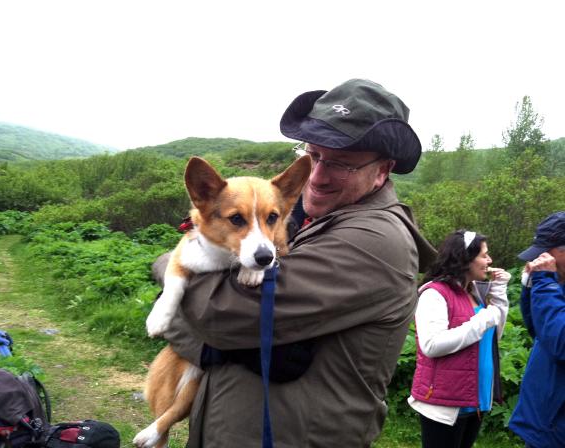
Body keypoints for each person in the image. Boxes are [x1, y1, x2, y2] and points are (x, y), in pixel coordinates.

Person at [160, 78, 436, 447]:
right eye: (314, 155)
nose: (317, 177)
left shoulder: (375, 240)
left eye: (342, 164)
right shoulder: (314, 219)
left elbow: (222, 316)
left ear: (382, 170)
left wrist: (169, 265)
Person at [408, 229, 510, 448]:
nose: (490, 260)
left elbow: (492, 338)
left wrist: (499, 293)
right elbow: (432, 345)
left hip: (475, 399)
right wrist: (483, 319)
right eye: (484, 255)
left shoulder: (473, 293)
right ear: (464, 258)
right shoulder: (435, 294)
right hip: (445, 403)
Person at [509, 211, 565, 448]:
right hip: (546, 423)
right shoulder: (559, 284)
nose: (537, 260)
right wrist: (531, 286)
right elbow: (541, 333)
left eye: (545, 253)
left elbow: (561, 342)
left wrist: (544, 283)